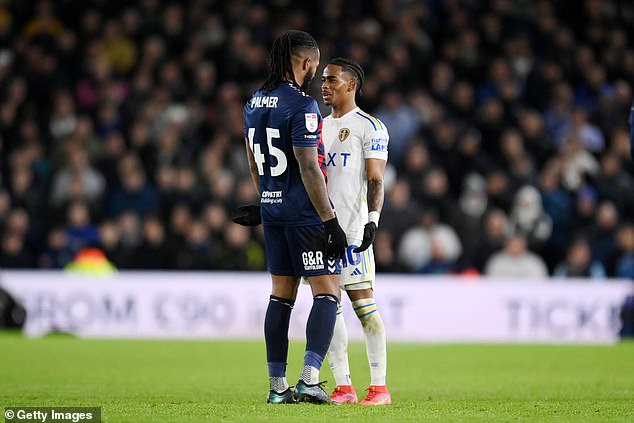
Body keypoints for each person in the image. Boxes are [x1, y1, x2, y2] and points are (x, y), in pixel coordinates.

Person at [234, 30, 348, 404]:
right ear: (304, 62)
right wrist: (329, 221)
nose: (316, 72)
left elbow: (254, 160)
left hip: (274, 213)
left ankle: (277, 388)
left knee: (281, 296)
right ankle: (310, 379)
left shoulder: (253, 102)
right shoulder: (303, 105)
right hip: (303, 213)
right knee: (328, 292)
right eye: (314, 65)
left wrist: (265, 197)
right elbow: (308, 166)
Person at [320, 57, 391, 405]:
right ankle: (343, 386)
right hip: (320, 231)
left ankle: (379, 387)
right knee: (327, 305)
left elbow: (376, 178)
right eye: (323, 79)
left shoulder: (369, 126)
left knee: (364, 307)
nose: (324, 85)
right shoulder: (317, 126)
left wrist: (372, 220)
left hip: (352, 232)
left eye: (332, 80)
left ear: (351, 85)